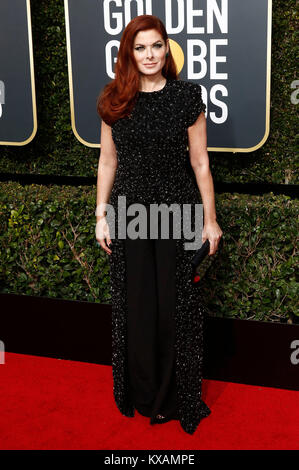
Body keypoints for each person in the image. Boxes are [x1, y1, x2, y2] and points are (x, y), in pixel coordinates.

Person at [96, 14, 223, 435]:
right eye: (140, 47)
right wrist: (101, 213)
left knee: (176, 308)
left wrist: (210, 220)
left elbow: (200, 161)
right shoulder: (115, 99)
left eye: (156, 46)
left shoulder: (188, 96)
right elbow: (108, 161)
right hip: (129, 214)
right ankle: (142, 391)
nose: (149, 55)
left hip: (179, 213)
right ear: (128, 54)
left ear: (167, 49)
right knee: (138, 306)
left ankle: (175, 395)